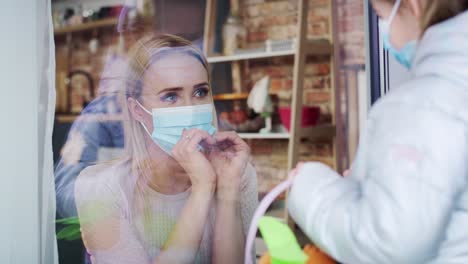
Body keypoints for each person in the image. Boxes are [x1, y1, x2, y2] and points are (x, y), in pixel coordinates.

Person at [287, 0, 468, 263]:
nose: (385, 34)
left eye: (381, 16)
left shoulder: (424, 105)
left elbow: (390, 243)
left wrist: (308, 186)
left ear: (414, 7)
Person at [74, 34, 258, 264]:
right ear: (137, 110)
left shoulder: (237, 173)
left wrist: (227, 190)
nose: (191, 109)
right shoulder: (100, 190)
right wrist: (202, 188)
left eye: (200, 92)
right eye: (171, 96)